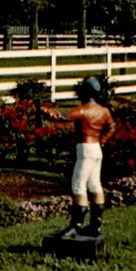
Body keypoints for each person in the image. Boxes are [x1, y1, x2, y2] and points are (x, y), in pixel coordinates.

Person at [39, 77, 116, 238]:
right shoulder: (104, 111)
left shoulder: (82, 110)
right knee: (95, 184)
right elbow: (111, 127)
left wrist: (45, 110)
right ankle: (95, 224)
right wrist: (102, 140)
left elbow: (59, 116)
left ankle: (76, 225)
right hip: (96, 149)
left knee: (78, 185)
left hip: (85, 149)